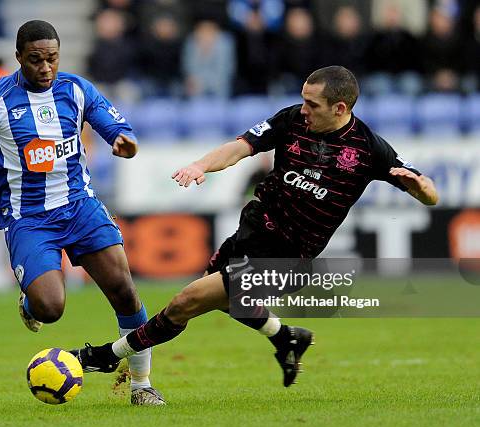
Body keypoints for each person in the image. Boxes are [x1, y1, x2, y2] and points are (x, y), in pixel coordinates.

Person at [72, 66, 439, 388]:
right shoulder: (291, 120)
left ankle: (107, 355)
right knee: (222, 302)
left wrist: (424, 191)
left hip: (288, 258)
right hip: (252, 232)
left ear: (340, 108)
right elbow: (241, 147)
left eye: (313, 105)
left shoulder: (369, 149)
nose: (304, 110)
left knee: (187, 300)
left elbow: (429, 193)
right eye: (303, 100)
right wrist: (201, 165)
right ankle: (286, 338)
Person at [0, 20, 164, 406]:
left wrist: (122, 141)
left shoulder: (76, 89)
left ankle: (141, 386)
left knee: (125, 291)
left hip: (80, 207)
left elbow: (112, 124)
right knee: (51, 306)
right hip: (28, 219)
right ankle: (30, 302)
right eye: (35, 60)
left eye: (52, 59)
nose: (45, 68)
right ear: (18, 58)